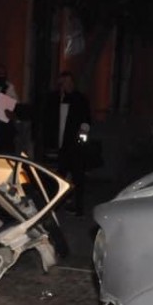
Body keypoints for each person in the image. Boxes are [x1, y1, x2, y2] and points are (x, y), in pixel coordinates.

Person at [46, 71, 92, 216]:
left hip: (74, 145)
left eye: (68, 82)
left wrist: (81, 136)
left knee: (77, 176)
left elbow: (86, 120)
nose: (66, 85)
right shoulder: (55, 98)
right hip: (59, 144)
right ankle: (53, 206)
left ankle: (78, 207)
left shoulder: (80, 99)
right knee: (58, 176)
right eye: (63, 83)